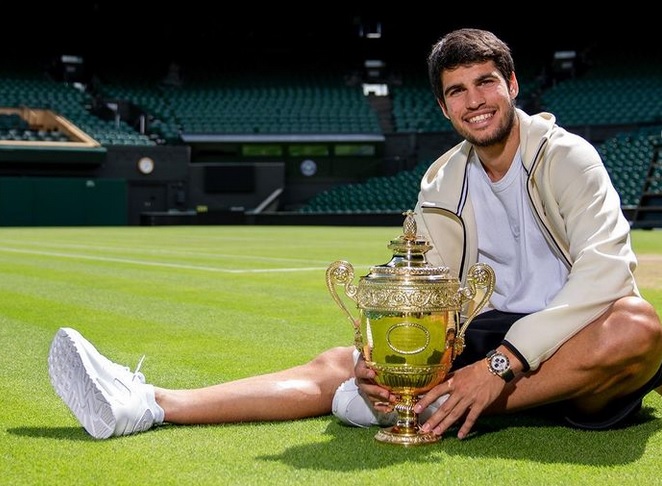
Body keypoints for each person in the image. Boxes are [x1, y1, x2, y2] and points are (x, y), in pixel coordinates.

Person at [48, 28, 662, 441]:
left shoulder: (566, 156)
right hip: (487, 333)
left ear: (512, 86)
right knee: (345, 364)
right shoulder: (441, 180)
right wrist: (389, 352)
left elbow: (607, 273)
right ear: (444, 108)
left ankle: (437, 408)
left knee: (639, 328)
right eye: (457, 91)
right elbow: (432, 289)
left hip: (569, 340)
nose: (474, 101)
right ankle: (150, 403)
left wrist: (501, 365)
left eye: (485, 82)